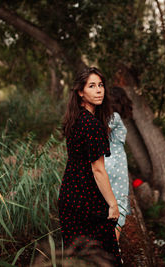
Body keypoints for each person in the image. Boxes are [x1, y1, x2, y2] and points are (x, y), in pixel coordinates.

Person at [58, 67, 122, 266]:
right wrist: (113, 204)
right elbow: (98, 169)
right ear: (80, 92)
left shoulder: (75, 120)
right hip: (87, 202)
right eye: (92, 86)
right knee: (105, 259)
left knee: (78, 260)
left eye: (101, 85)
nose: (98, 90)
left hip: (70, 197)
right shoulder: (92, 125)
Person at [105, 86, 132, 241]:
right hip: (115, 164)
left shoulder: (111, 117)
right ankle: (112, 248)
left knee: (108, 203)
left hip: (107, 163)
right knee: (118, 206)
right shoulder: (114, 117)